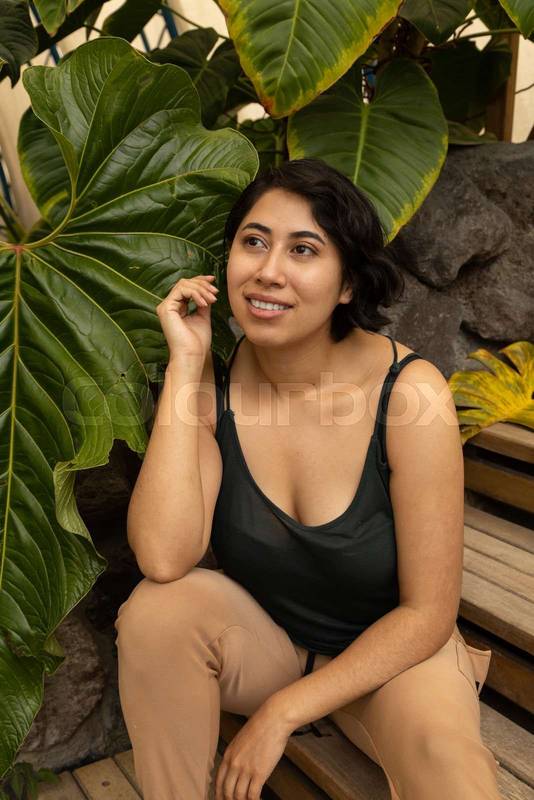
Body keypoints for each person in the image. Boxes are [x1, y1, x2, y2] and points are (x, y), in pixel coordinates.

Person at [114, 158, 500, 800]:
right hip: (270, 647)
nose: (269, 271)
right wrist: (186, 365)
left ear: (348, 284)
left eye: (303, 249)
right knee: (157, 613)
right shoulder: (214, 384)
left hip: (394, 660)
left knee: (453, 776)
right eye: (254, 241)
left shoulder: (408, 395)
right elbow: (162, 556)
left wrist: (283, 712)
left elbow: (428, 613)